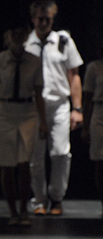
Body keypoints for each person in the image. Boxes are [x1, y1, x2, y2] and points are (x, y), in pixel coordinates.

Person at [0, 26, 47, 226]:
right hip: (5, 111)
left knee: (24, 163)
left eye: (21, 33)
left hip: (27, 112)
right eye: (14, 33)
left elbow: (38, 94)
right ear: (7, 36)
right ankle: (12, 211)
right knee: (7, 164)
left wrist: (43, 122)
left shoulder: (34, 61)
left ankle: (23, 210)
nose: (17, 37)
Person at [25, 0, 84, 216]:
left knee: (60, 152)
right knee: (35, 157)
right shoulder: (26, 42)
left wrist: (76, 108)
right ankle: (39, 200)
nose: (43, 22)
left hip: (59, 103)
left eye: (48, 18)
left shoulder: (63, 40)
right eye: (40, 18)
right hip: (33, 106)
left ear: (53, 18)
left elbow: (74, 75)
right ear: (33, 18)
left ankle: (56, 197)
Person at [81, 46, 103, 217]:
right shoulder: (94, 68)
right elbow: (87, 96)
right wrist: (86, 125)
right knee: (100, 161)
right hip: (99, 113)